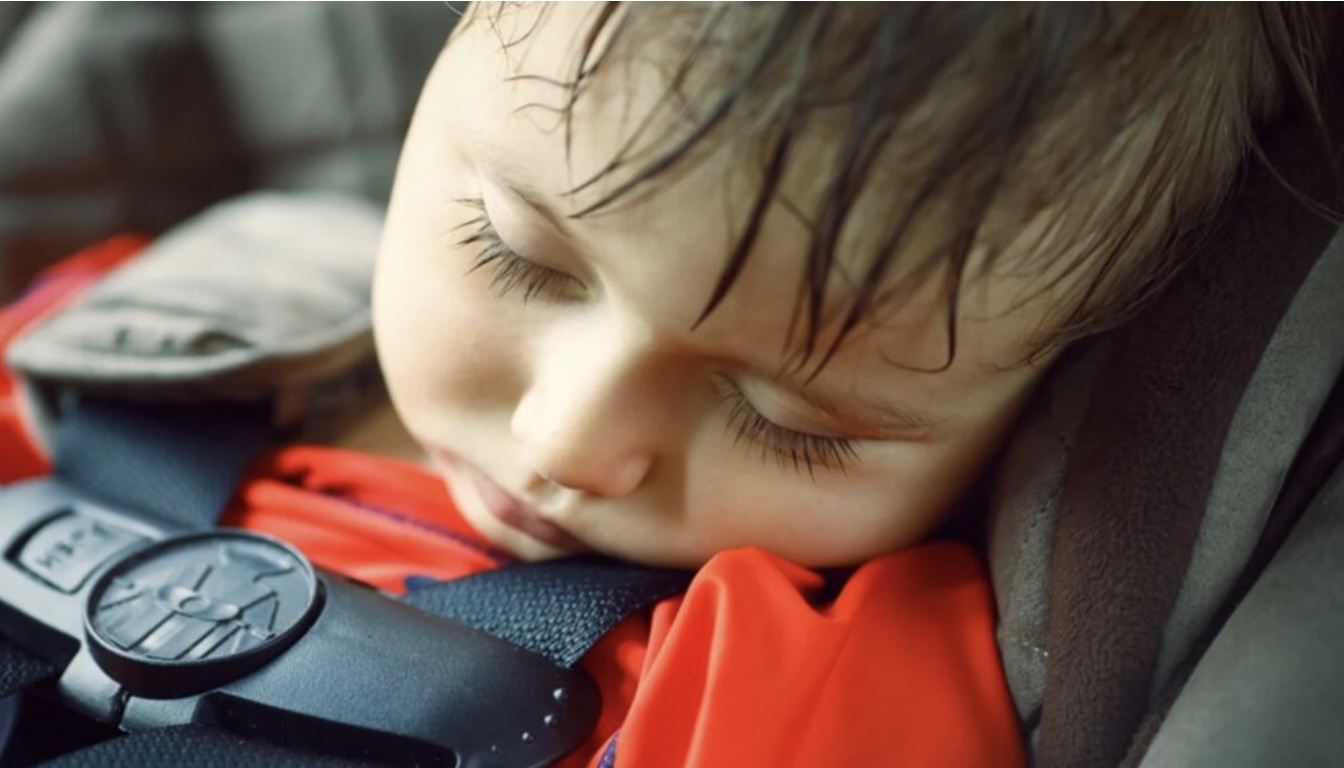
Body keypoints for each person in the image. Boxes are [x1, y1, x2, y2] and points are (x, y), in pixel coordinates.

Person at [0, 3, 1328, 767]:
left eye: (795, 422)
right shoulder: (157, 333)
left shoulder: (802, 685)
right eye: (513, 254)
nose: (567, 439)